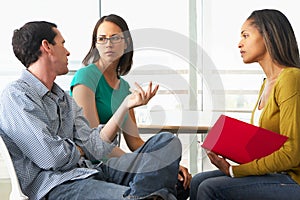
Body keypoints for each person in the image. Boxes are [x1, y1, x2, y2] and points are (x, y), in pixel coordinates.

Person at [0, 21, 183, 200]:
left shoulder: (63, 99)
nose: (68, 51)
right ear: (47, 46)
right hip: (58, 186)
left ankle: (148, 196)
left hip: (90, 172)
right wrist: (81, 149)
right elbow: (51, 158)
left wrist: (126, 106)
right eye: (62, 44)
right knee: (166, 187)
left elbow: (94, 145)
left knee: (168, 142)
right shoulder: (17, 96)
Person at [70, 13, 192, 198]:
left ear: (126, 43)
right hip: (95, 164)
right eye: (102, 39)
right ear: (95, 44)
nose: (108, 44)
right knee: (170, 184)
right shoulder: (86, 77)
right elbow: (94, 145)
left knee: (168, 141)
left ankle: (143, 195)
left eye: (114, 38)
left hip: (117, 162)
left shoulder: (124, 87)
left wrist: (167, 162)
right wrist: (153, 163)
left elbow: (134, 142)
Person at [190, 9, 300, 199]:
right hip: (275, 173)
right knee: (198, 180)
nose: (240, 43)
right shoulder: (266, 83)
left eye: (246, 36)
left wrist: (235, 171)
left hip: (292, 179)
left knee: (209, 188)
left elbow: (292, 153)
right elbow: (265, 144)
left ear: (267, 35)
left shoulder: (291, 78)